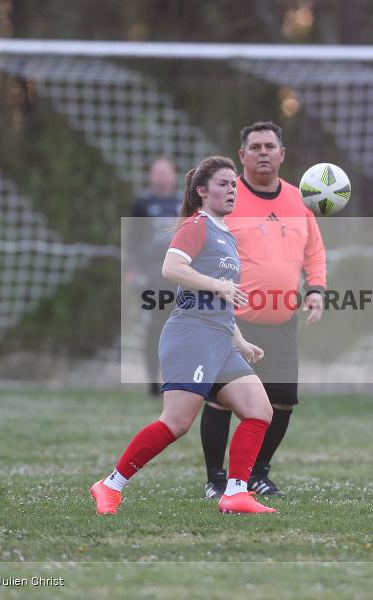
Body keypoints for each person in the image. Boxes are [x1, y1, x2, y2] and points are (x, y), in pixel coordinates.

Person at [92, 155, 276, 515]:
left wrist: (240, 342)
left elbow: (221, 299)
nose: (231, 190)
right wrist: (217, 284)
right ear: (203, 191)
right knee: (176, 423)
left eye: (234, 185)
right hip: (191, 336)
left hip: (220, 340)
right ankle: (109, 485)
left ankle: (236, 492)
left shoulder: (227, 236)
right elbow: (171, 267)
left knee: (259, 411)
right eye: (223, 184)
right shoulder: (197, 226)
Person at [200, 122, 327, 499]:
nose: (263, 152)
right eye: (254, 146)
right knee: (221, 399)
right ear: (242, 156)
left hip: (282, 320)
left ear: (282, 154)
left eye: (270, 146)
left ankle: (258, 472)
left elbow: (314, 251)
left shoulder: (299, 201)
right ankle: (216, 478)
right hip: (232, 321)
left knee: (283, 399)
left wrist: (316, 288)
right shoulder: (227, 198)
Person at [129, 157, 180, 397]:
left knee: (182, 327)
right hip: (152, 278)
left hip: (180, 278)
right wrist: (132, 272)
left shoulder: (184, 202)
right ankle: (153, 380)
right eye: (156, 172)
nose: (161, 176)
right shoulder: (142, 205)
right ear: (150, 176)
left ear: (173, 175)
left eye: (165, 171)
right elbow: (132, 241)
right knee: (154, 328)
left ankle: (180, 378)